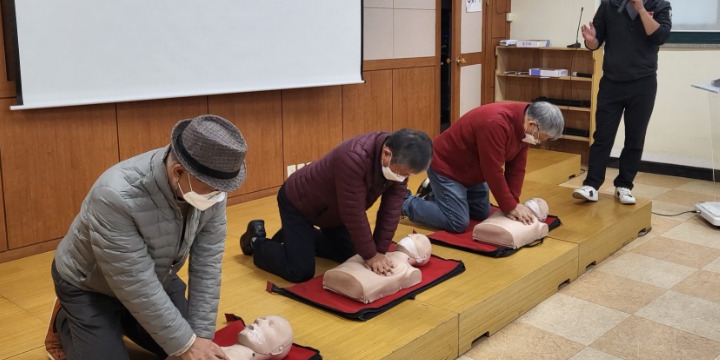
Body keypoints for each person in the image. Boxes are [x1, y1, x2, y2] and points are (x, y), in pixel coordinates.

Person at [47, 114, 248, 360]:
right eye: (214, 190)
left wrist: (199, 336)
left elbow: (208, 263)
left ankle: (118, 322)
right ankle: (66, 319)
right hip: (90, 286)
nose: (219, 196)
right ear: (178, 172)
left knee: (190, 348)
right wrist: (186, 345)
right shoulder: (115, 195)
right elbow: (135, 283)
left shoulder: (210, 186)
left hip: (157, 274)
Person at [240, 129, 433, 283]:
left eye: (407, 175)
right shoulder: (354, 157)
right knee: (300, 272)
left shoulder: (399, 163)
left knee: (355, 255)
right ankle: (256, 242)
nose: (402, 178)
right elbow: (354, 213)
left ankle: (295, 238)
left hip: (334, 212)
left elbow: (391, 210)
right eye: (401, 173)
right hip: (300, 203)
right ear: (386, 154)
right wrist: (371, 255)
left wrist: (379, 251)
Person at [573, 0, 672, 205]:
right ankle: (591, 185)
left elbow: (658, 36)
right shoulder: (610, 4)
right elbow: (596, 43)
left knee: (635, 137)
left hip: (643, 83)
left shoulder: (661, 7)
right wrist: (590, 39)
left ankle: (624, 185)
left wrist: (640, 8)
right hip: (612, 82)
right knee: (602, 135)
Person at [401, 101, 564, 233]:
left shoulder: (525, 128)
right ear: (532, 124)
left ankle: (434, 194)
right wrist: (510, 206)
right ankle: (405, 202)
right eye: (543, 138)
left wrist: (512, 203)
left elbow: (517, 167)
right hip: (447, 168)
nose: (541, 142)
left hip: (472, 172)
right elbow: (493, 170)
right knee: (458, 223)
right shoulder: (496, 123)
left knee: (481, 213)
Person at [128, 315, 293, 360]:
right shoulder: (202, 344)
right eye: (262, 318)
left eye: (271, 325)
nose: (258, 320)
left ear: (278, 349)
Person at [322, 233, 433, 304]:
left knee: (387, 272)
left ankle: (352, 283)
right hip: (342, 274)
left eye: (417, 238)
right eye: (411, 234)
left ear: (423, 257)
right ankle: (344, 276)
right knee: (358, 259)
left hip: (359, 286)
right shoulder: (381, 253)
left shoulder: (411, 271)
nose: (410, 235)